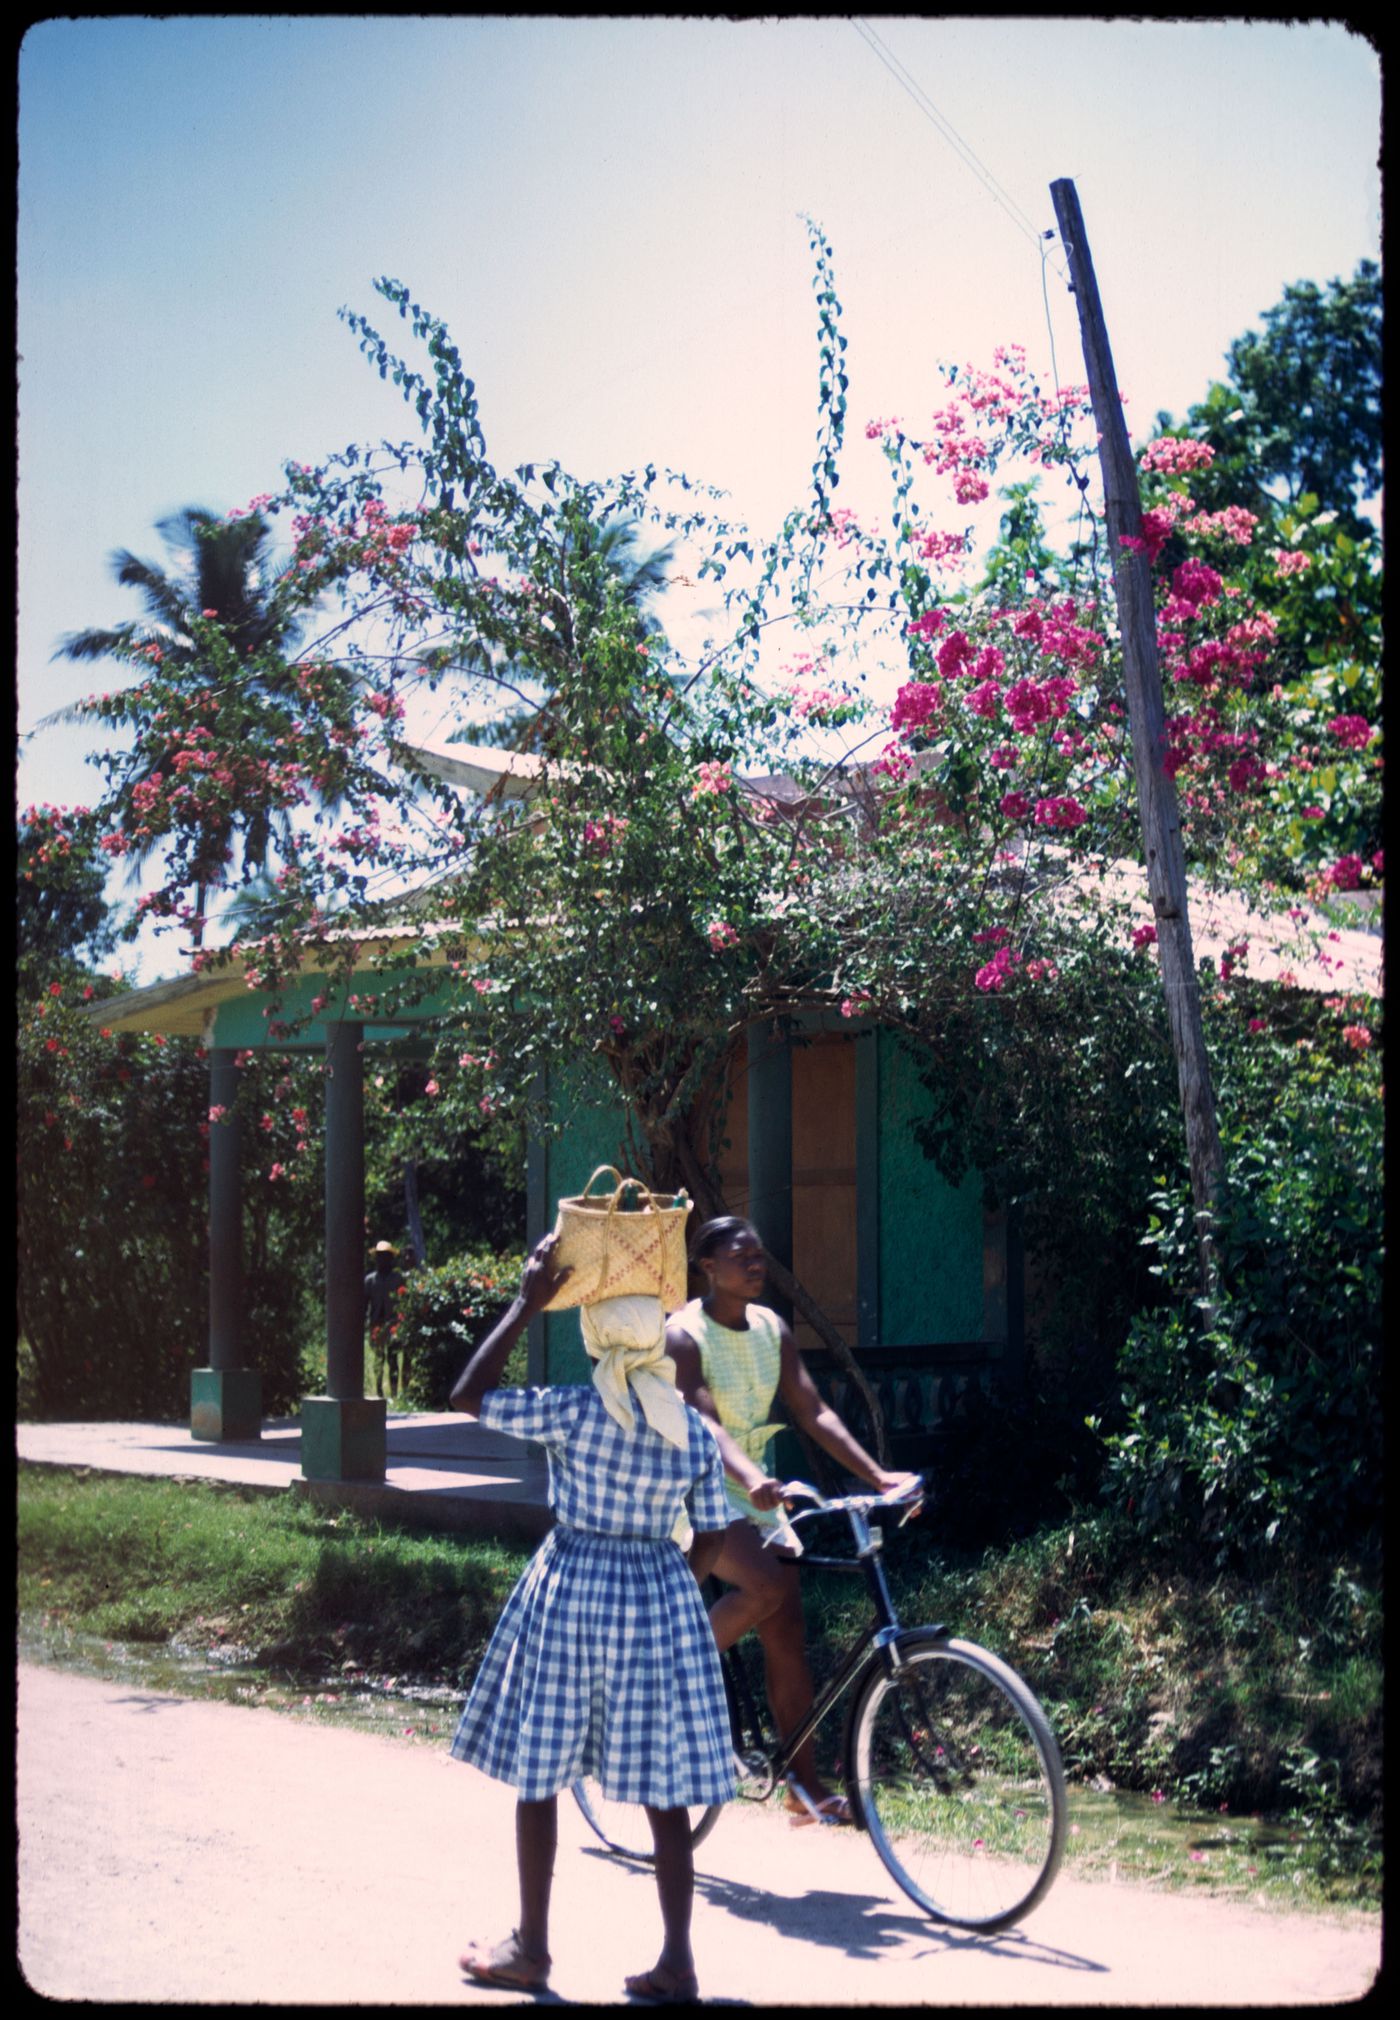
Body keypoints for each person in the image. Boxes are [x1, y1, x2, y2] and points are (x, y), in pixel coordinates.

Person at [449, 1232, 735, 2003]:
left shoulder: (576, 1412)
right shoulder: (689, 1431)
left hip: (573, 1589)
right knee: (663, 1790)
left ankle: (532, 1948)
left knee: (539, 1772)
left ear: (596, 1332)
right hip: (656, 1596)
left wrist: (523, 1303)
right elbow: (713, 1531)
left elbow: (467, 1396)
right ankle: (678, 1962)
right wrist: (672, 1584)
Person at [666, 1215, 923, 1826]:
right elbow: (703, 1421)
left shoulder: (771, 1329)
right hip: (696, 1487)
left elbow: (812, 1409)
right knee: (768, 1585)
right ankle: (664, 1672)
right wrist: (748, 1477)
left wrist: (878, 1476)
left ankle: (802, 1788)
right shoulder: (683, 1333)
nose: (757, 1264)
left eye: (760, 1255)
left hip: (758, 1492)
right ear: (707, 1266)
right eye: (742, 1255)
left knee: (787, 1630)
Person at [363, 1241, 406, 1399]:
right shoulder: (370, 1280)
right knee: (378, 1359)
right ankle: (379, 1390)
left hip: (394, 1325)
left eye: (386, 1256)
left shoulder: (398, 1279)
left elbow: (405, 1302)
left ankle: (394, 1393)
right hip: (376, 1325)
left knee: (393, 1359)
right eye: (380, 1256)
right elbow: (364, 1303)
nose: (382, 1260)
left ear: (390, 1258)